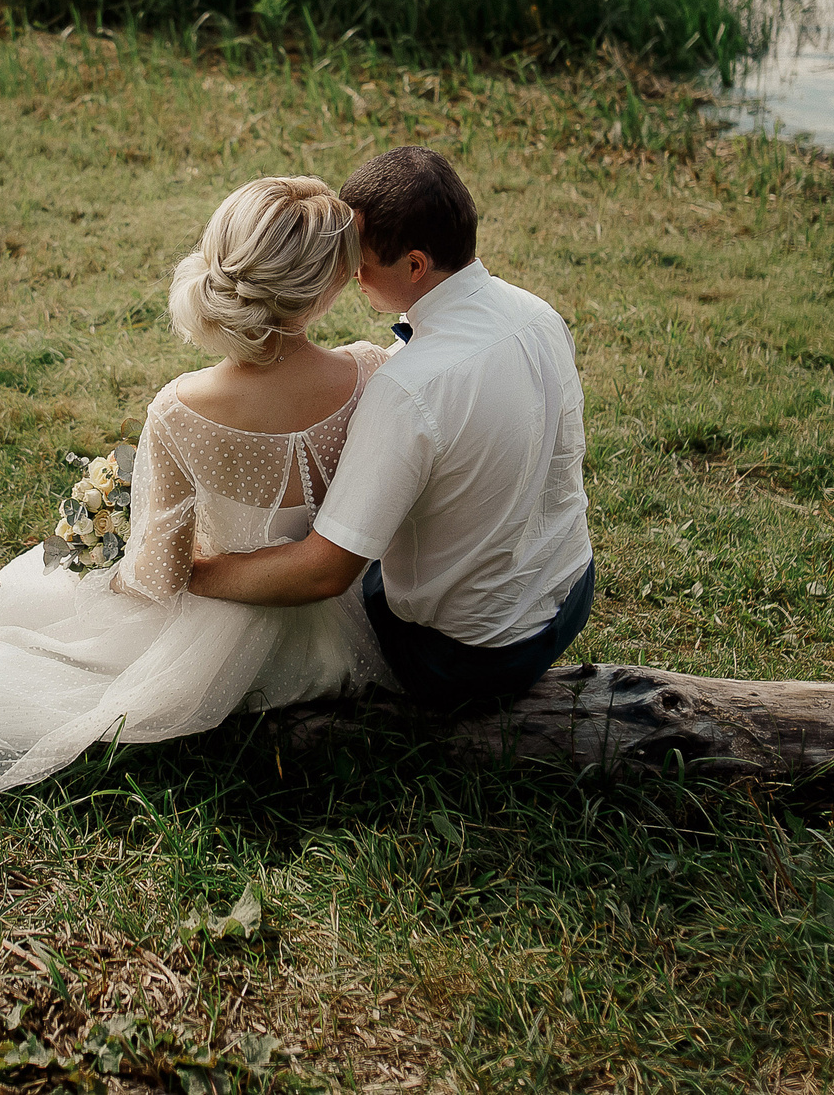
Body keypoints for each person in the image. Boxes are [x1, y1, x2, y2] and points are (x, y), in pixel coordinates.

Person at [0, 176, 401, 801]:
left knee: (44, 594)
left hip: (220, 640)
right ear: (328, 287)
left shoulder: (182, 409)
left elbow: (159, 577)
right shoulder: (372, 373)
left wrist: (109, 562)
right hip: (340, 624)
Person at [186, 147, 596, 709]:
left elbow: (324, 575)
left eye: (361, 256)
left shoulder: (406, 391)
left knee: (317, 552)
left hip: (466, 657)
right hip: (570, 594)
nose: (350, 272)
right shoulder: (537, 313)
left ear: (416, 265)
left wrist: (196, 571)